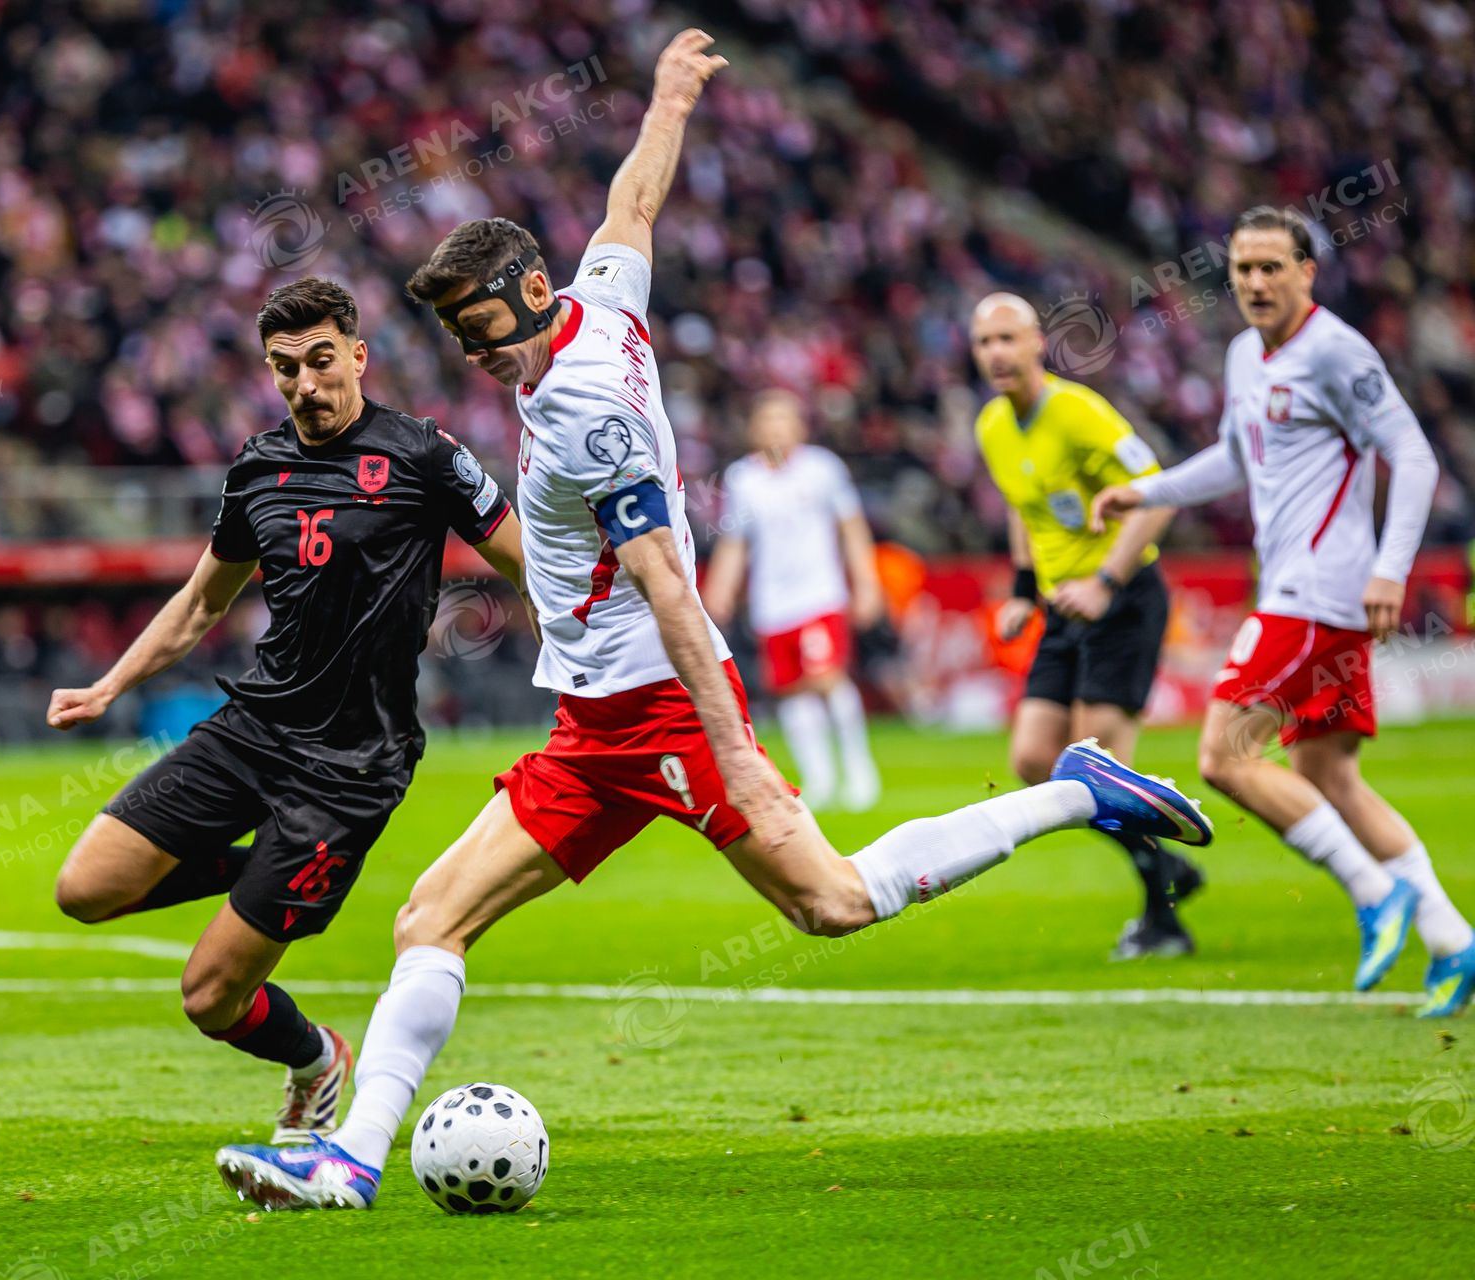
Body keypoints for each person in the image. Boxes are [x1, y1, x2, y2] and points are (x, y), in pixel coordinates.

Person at [213, 30, 1213, 1211]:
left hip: (666, 710)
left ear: (531, 292)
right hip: (592, 723)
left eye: (487, 330)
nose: (480, 355)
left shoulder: (585, 408)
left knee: (833, 901)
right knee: (431, 913)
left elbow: (668, 584)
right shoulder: (598, 302)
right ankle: (351, 1160)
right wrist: (672, 95)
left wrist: (730, 743)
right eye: (462, 342)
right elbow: (634, 200)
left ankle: (1078, 789)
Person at [45, 277, 527, 1144]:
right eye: (285, 367)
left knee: (209, 997)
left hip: (351, 768)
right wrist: (111, 684)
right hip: (253, 731)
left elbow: (525, 559)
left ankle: (313, 1059)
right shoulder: (257, 468)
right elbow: (202, 601)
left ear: (358, 356)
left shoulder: (423, 455)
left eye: (320, 361)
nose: (305, 383)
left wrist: (607, 639)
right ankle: (278, 876)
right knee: (84, 890)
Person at [1094, 206, 1472, 1017]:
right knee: (1329, 777)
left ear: (1308, 272)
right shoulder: (1244, 355)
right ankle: (1454, 941)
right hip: (1301, 593)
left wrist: (1391, 570)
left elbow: (1412, 455)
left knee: (1225, 755)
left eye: (1273, 266)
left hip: (1320, 592)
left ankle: (1374, 892)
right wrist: (1146, 494)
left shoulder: (1337, 351)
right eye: (1244, 268)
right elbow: (1236, 457)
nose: (1256, 282)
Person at [969, 292, 1206, 960]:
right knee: (1033, 760)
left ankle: (1164, 919)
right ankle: (1169, 865)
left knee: (1101, 769)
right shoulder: (992, 425)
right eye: (985, 342)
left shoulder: (1079, 413)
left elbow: (1159, 494)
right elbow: (1023, 507)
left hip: (1122, 601)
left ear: (1038, 343)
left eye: (1008, 338)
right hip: (1061, 607)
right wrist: (1023, 590)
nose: (997, 353)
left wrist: (1105, 583)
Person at [703, 389, 883, 811]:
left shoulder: (822, 469)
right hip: (772, 603)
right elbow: (735, 542)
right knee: (792, 691)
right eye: (768, 420)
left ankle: (859, 770)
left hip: (820, 594)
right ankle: (819, 777)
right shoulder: (742, 479)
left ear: (800, 426)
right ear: (754, 430)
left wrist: (867, 583)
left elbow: (852, 528)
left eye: (784, 419)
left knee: (827, 679)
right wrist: (720, 589)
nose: (776, 429)